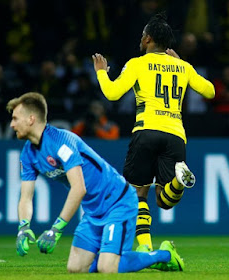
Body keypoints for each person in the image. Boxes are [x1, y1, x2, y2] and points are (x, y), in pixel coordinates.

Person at [7, 92, 184, 273]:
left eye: (15, 118)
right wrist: (24, 227)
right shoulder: (28, 155)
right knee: (75, 268)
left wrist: (55, 229)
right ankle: (111, 255)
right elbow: (26, 197)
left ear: (31, 119)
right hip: (93, 211)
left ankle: (165, 255)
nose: (12, 124)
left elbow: (79, 189)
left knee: (108, 267)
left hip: (117, 202)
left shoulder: (61, 142)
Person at [92, 13, 215, 258]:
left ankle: (145, 245)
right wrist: (182, 65)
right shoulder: (182, 66)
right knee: (165, 200)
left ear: (148, 39)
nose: (140, 39)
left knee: (137, 194)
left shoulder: (137, 63)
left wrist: (101, 72)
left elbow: (113, 94)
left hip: (146, 131)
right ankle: (179, 182)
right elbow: (210, 91)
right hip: (175, 135)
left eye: (142, 36)